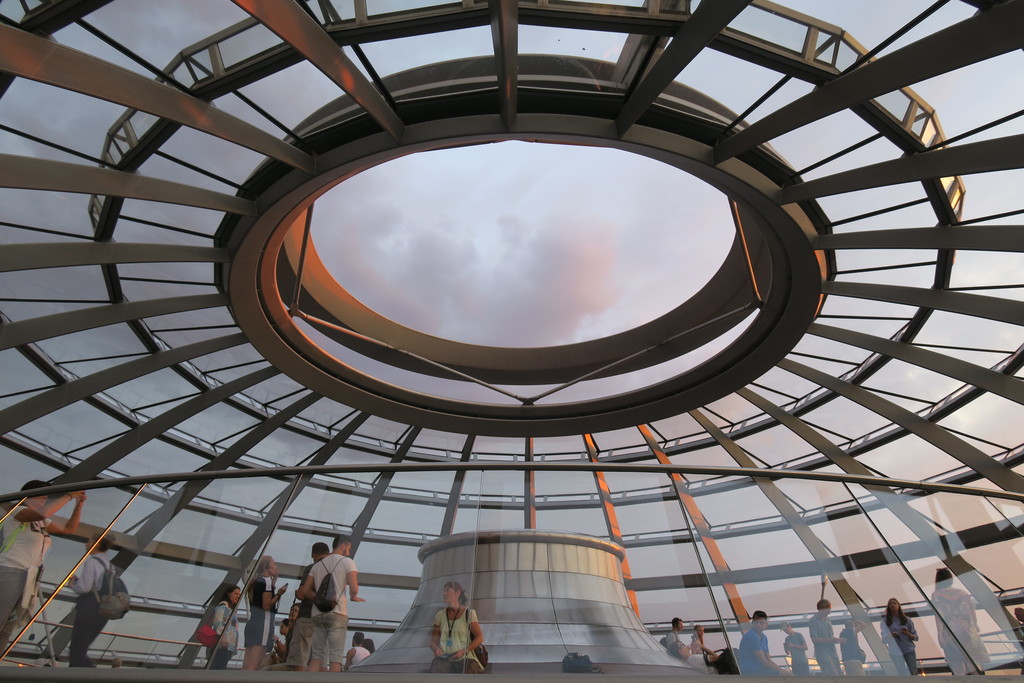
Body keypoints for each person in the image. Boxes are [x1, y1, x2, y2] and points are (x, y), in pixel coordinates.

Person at [0, 481, 85, 651]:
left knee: (7, 628)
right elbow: (40, 513)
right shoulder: (15, 509)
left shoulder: (41, 521)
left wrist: (78, 505)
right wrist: (68, 495)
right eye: (43, 493)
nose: (46, 497)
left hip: (28, 576)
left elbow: (68, 529)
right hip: (10, 569)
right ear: (31, 494)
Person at [297, 534, 363, 673]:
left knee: (316, 657)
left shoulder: (317, 565)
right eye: (348, 548)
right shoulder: (347, 562)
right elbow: (354, 587)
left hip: (317, 613)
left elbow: (306, 590)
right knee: (335, 658)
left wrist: (318, 600)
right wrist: (354, 596)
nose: (349, 552)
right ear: (343, 545)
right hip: (337, 613)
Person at [67, 535, 113, 667]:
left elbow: (84, 587)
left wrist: (72, 585)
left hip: (89, 609)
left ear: (96, 544)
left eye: (89, 541)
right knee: (81, 649)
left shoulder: (92, 562)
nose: (86, 544)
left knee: (77, 649)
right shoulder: (109, 566)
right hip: (103, 611)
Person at [932, 567, 988, 674]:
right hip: (968, 630)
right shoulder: (963, 593)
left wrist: (939, 634)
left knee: (958, 663)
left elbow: (939, 616)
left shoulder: (937, 595)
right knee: (973, 662)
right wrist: (975, 626)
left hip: (951, 631)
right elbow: (972, 612)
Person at [288, 542, 329, 671]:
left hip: (307, 616)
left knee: (300, 659)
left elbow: (302, 593)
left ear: (313, 554)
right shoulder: (334, 570)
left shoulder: (313, 567)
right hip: (325, 620)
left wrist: (298, 592)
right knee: (321, 662)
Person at [242, 555, 287, 670]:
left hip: (252, 624)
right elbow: (266, 605)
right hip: (262, 625)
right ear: (266, 567)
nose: (276, 567)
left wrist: (273, 584)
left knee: (247, 663)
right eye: (274, 564)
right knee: (254, 664)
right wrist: (279, 594)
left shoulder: (257, 581)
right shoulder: (266, 582)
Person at [429, 580, 485, 674]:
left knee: (466, 671)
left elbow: (479, 638)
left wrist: (464, 651)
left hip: (465, 658)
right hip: (445, 658)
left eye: (447, 590)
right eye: (443, 591)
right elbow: (433, 641)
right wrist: (436, 649)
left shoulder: (469, 613)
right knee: (438, 671)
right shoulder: (440, 615)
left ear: (457, 593)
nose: (444, 593)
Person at [737, 610, 791, 676]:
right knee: (785, 675)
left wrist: (783, 671)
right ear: (752, 623)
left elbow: (769, 660)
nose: (758, 625)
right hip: (751, 672)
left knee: (786, 674)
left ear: (766, 624)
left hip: (761, 670)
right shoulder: (751, 636)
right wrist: (782, 671)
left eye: (761, 623)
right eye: (756, 622)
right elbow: (764, 662)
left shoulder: (764, 637)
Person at [880, 598, 918, 675]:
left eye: (894, 603)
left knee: (913, 671)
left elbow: (916, 637)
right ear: (888, 607)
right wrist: (891, 635)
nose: (892, 605)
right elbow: (883, 639)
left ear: (898, 606)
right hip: (895, 651)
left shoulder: (906, 620)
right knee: (901, 672)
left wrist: (907, 633)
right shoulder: (885, 621)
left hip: (908, 649)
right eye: (890, 604)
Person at [208, 585, 241, 670]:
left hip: (227, 646)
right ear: (228, 594)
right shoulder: (223, 607)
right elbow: (218, 623)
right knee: (218, 668)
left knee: (220, 667)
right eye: (235, 593)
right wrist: (223, 638)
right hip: (222, 645)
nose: (238, 596)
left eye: (239, 594)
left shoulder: (230, 609)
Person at [809, 599, 843, 675]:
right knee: (831, 674)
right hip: (823, 653)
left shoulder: (828, 620)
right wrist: (831, 640)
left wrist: (837, 640)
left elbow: (830, 637)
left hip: (833, 652)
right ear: (822, 609)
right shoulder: (813, 621)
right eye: (828, 609)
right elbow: (814, 639)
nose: (830, 611)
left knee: (838, 674)